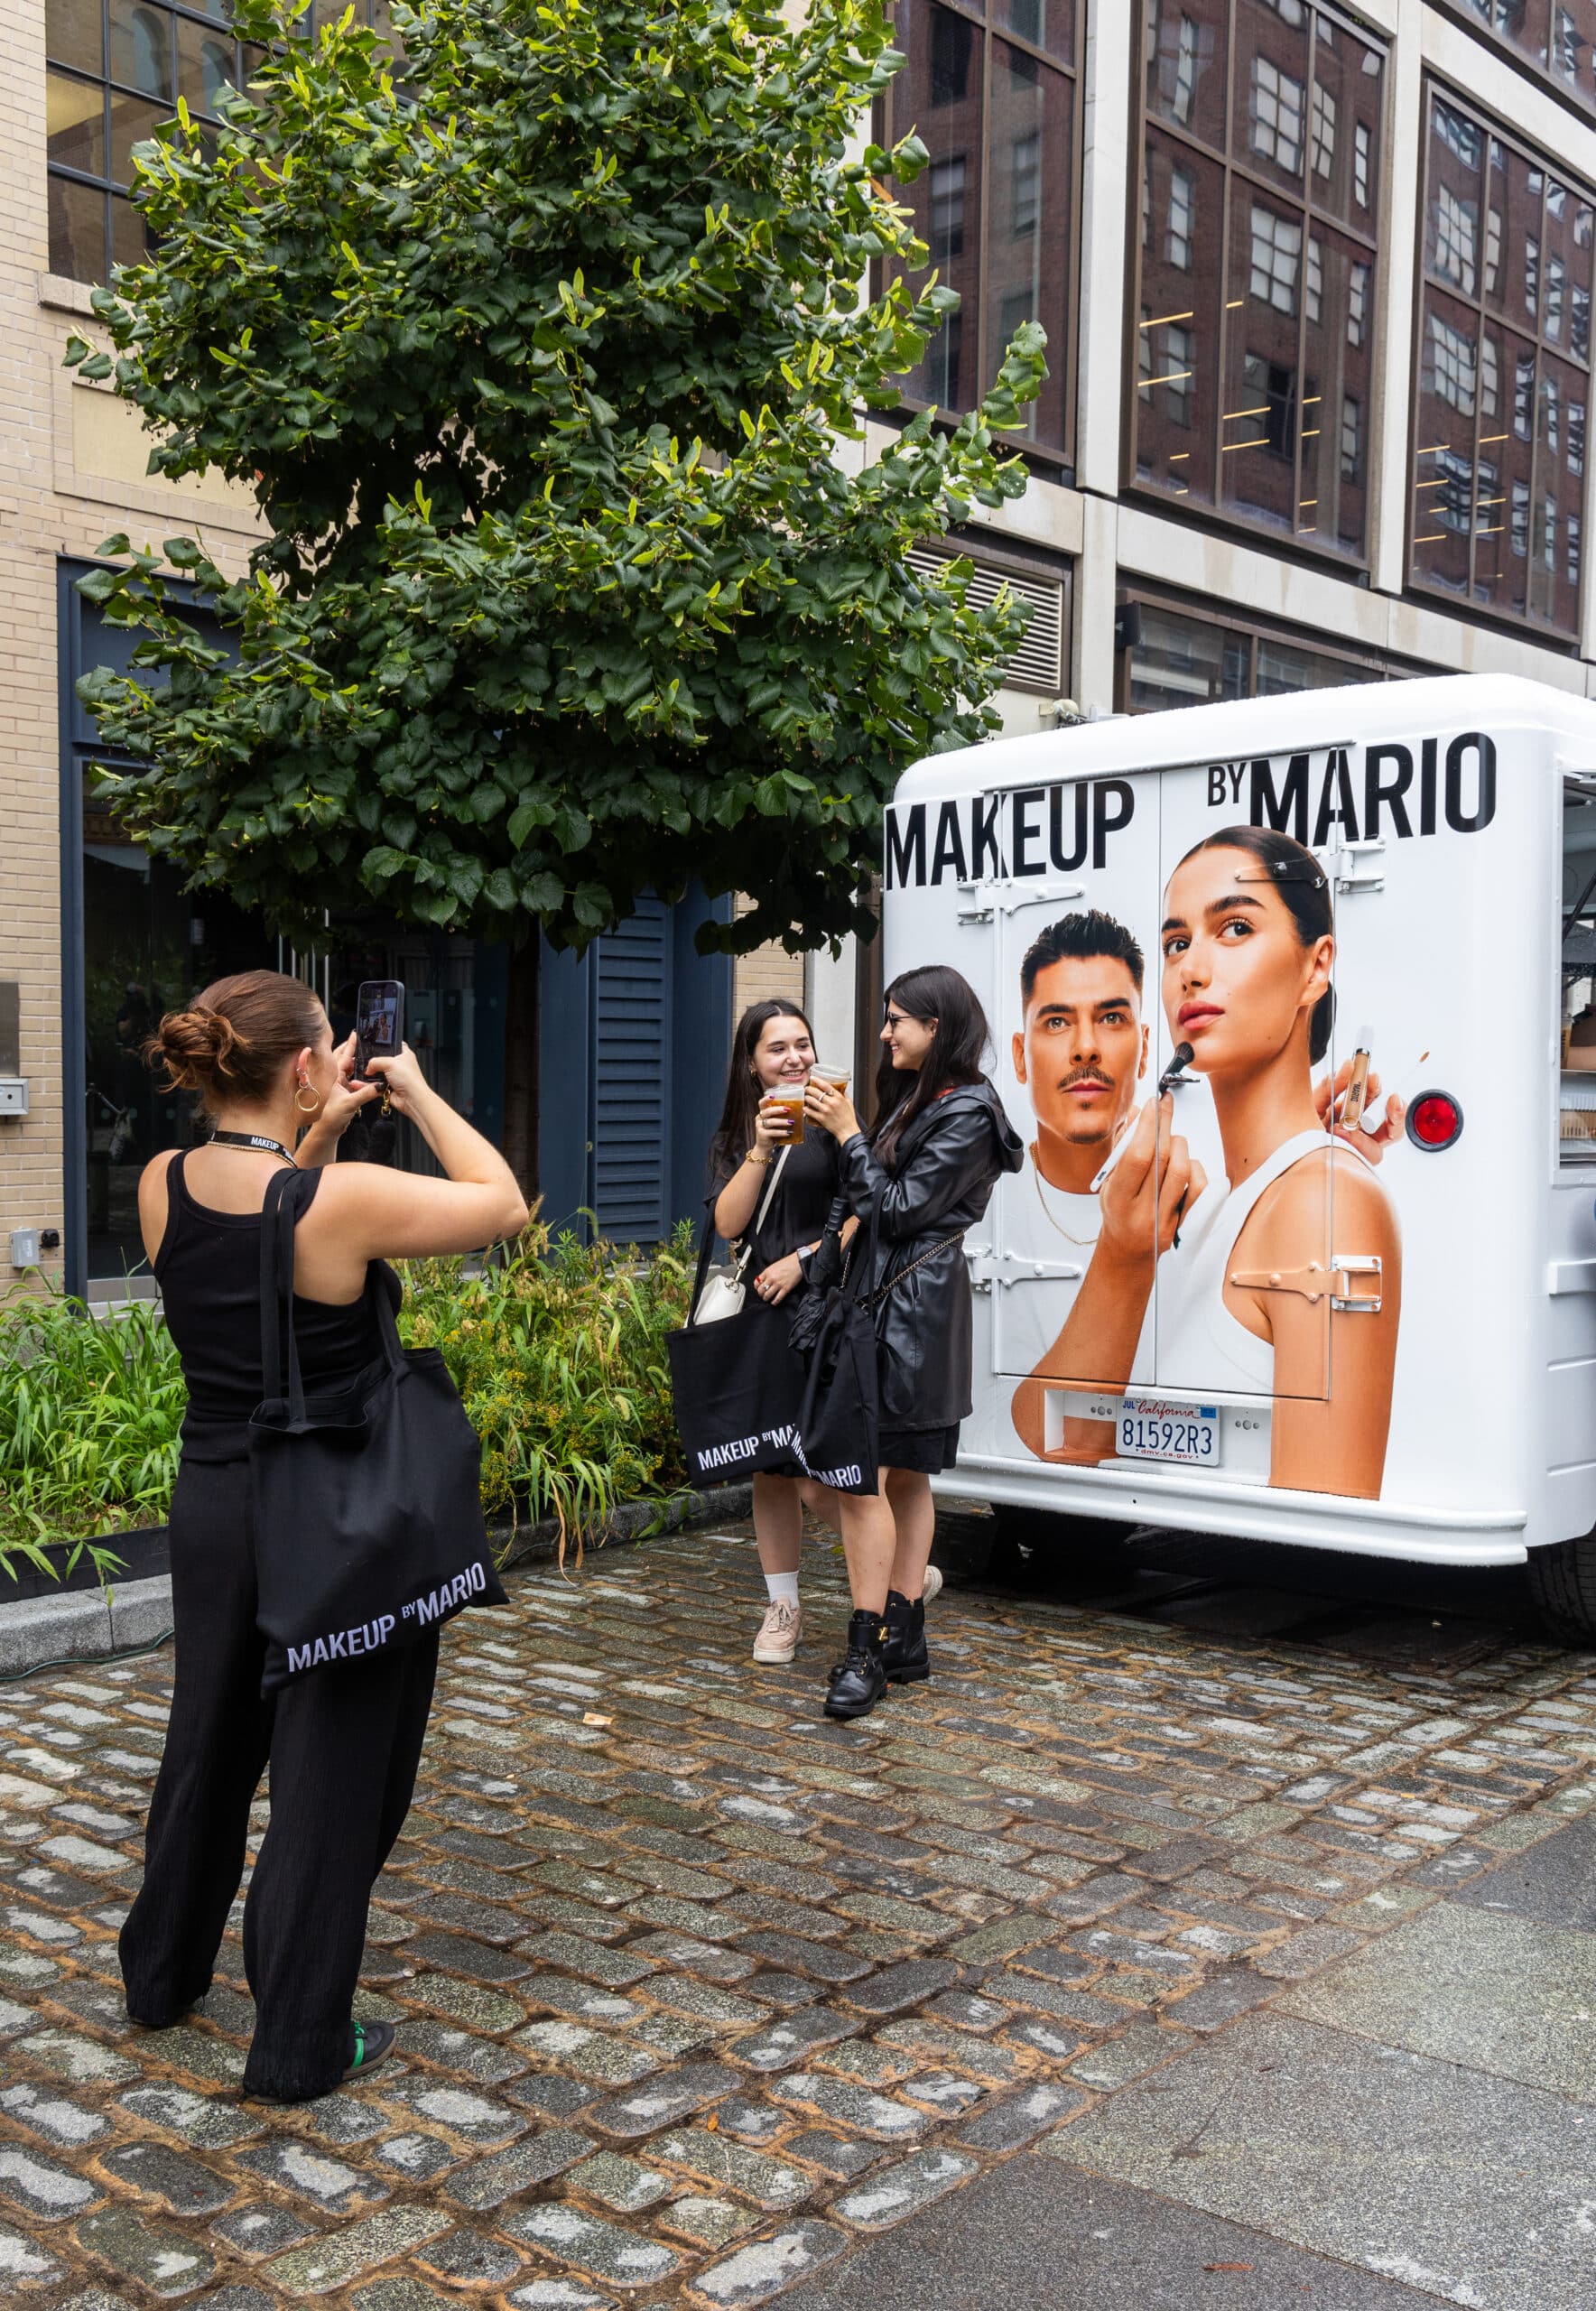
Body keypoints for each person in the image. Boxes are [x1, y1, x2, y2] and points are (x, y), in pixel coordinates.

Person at [118, 970, 527, 2102]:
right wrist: (419, 1093)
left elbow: (265, 1252)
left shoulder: (161, 1181)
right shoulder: (334, 1205)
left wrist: (322, 1132)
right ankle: (299, 2042)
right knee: (330, 1773)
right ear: (307, 1064)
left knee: (207, 1739)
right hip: (335, 1507)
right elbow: (501, 1203)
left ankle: (161, 1974)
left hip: (216, 1501)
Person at [1040, 826, 1403, 1498]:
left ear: (1316, 966)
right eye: (1177, 942)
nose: (1191, 970)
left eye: (1234, 928)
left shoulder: (1323, 1203)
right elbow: (1059, 1448)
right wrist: (1121, 1255)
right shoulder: (1209, 1208)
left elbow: (1323, 1517)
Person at [804, 965, 1023, 1718]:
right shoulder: (922, 1099)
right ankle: (905, 1638)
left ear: (939, 1028)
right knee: (895, 1476)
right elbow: (867, 1203)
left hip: (913, 1315)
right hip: (890, 1305)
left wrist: (845, 1133)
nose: (886, 1031)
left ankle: (869, 1649)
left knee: (873, 1478)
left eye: (899, 1019)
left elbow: (895, 1209)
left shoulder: (968, 1112)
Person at [710, 1000, 876, 1665]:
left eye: (803, 1043)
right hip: (761, 1317)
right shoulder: (738, 1133)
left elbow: (867, 1210)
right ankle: (784, 1608)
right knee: (770, 1471)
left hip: (823, 1307)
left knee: (815, 1472)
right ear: (752, 1064)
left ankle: (890, 1569)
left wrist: (804, 1261)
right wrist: (758, 1151)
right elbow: (727, 1224)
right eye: (778, 1048)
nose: (796, 1058)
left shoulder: (836, 1113)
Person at [1005, 911, 1154, 1462]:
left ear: (1144, 1043)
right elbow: (1030, 1435)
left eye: (1111, 1018)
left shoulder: (1201, 1178)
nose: (1086, 1048)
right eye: (1058, 1022)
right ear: (1021, 1056)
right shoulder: (983, 1206)